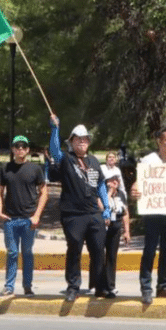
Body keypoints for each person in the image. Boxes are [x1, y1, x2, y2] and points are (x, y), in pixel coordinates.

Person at [48, 115, 110, 302]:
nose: (82, 143)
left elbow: (100, 185)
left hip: (93, 212)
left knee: (99, 250)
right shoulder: (66, 159)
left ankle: (100, 286)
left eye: (85, 139)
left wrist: (106, 207)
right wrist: (55, 129)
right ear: (72, 142)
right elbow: (54, 151)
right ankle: (73, 286)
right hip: (73, 214)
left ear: (88, 142)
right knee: (74, 248)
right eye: (78, 139)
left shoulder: (94, 161)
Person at [130, 127, 166, 305]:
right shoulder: (148, 160)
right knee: (150, 250)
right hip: (153, 213)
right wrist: (135, 190)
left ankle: (162, 285)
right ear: (159, 142)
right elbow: (139, 182)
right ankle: (146, 287)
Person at [0, 135, 48, 298]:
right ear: (12, 149)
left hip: (28, 219)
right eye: (17, 147)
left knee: (27, 252)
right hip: (10, 219)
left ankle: (27, 286)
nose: (20, 149)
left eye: (23, 147)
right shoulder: (6, 168)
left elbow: (44, 192)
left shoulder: (35, 169)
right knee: (11, 253)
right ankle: (9, 286)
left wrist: (36, 215)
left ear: (27, 150)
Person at [95, 174, 130, 298]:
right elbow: (102, 207)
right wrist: (109, 193)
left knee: (111, 257)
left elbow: (125, 213)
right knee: (100, 256)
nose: (115, 182)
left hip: (115, 228)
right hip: (102, 228)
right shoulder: (100, 193)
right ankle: (99, 286)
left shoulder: (121, 194)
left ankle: (110, 286)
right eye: (112, 180)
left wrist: (127, 231)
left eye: (117, 180)